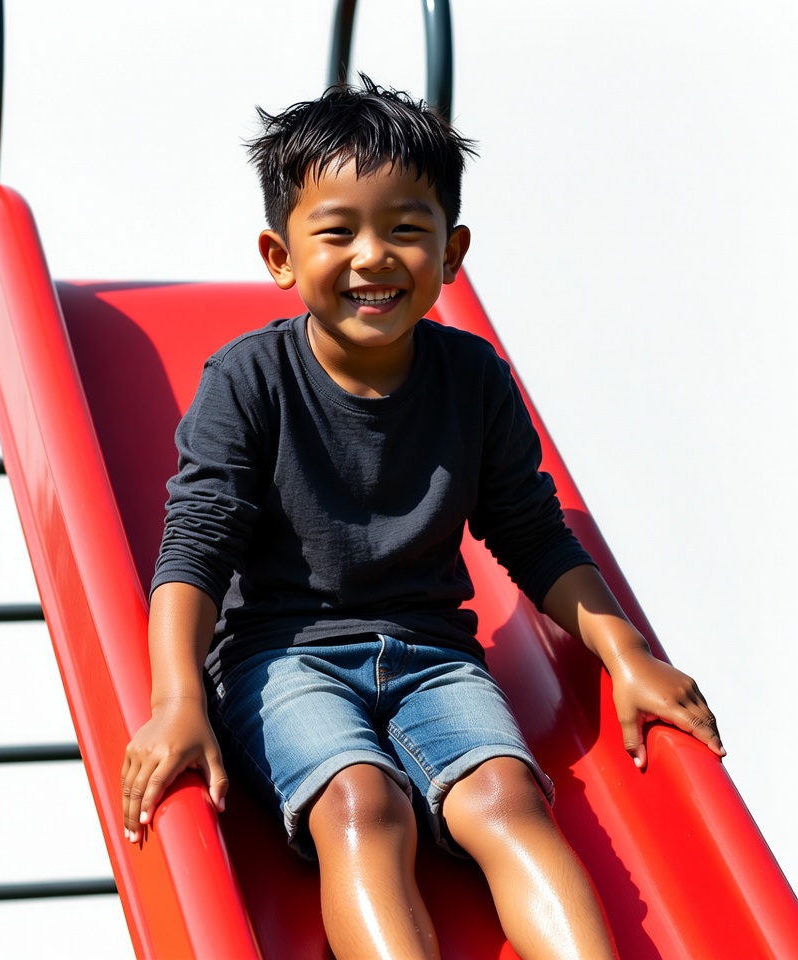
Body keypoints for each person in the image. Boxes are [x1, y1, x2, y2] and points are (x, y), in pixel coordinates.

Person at [121, 76, 724, 959]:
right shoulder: (248, 381)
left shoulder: (473, 379)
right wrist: (177, 700)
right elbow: (197, 544)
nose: (374, 256)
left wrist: (625, 653)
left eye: (407, 229)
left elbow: (530, 530)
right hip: (281, 660)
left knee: (505, 798)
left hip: (433, 656)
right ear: (280, 255)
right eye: (339, 231)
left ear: (452, 252)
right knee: (363, 804)